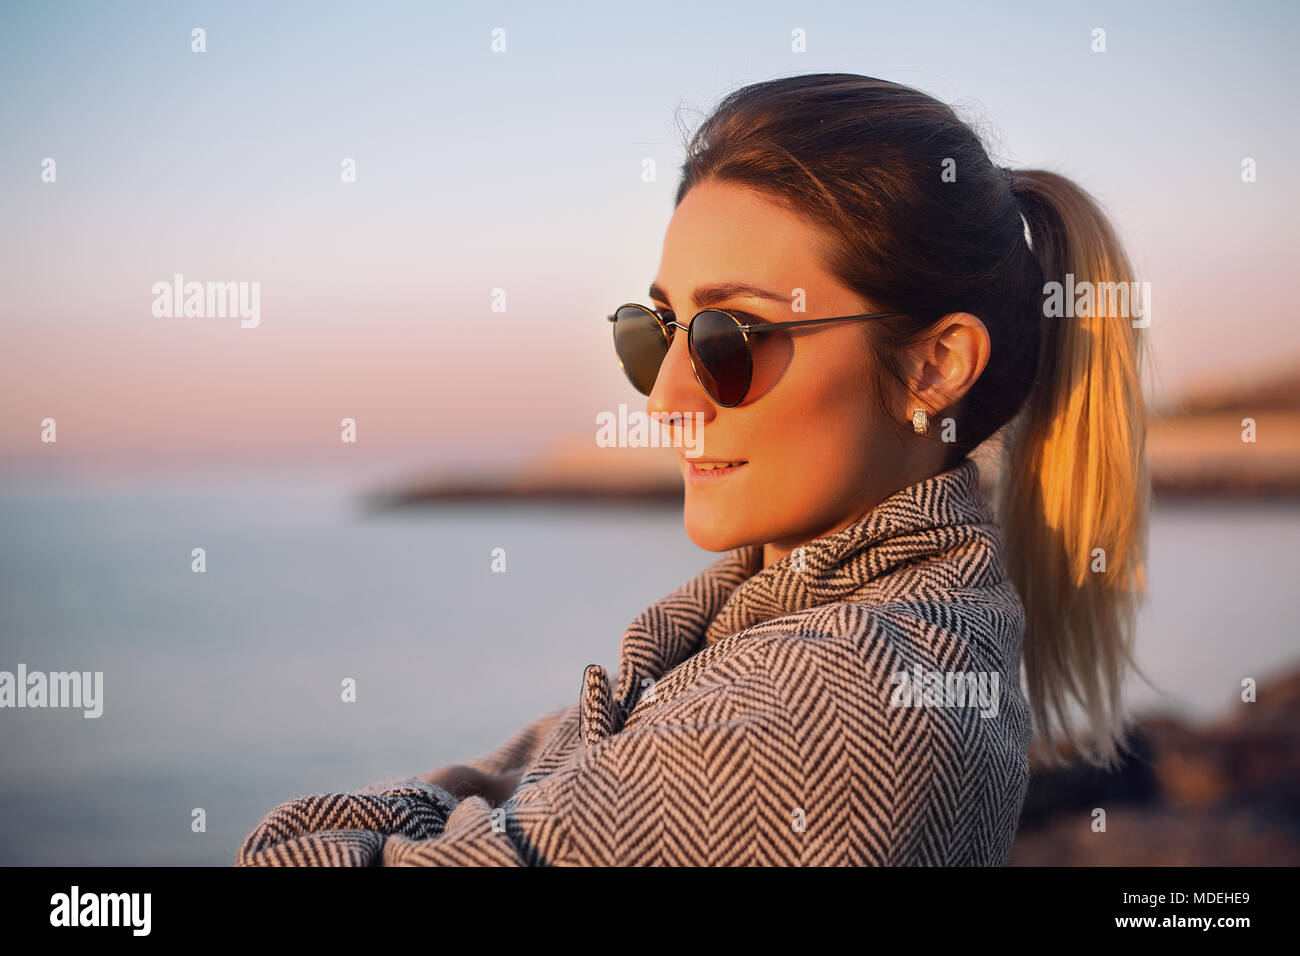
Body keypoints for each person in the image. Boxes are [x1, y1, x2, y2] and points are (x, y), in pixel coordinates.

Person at [237, 72, 1148, 867]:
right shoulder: (779, 623)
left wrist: (474, 807)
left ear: (934, 365)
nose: (665, 399)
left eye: (730, 337)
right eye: (656, 330)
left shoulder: (835, 711)